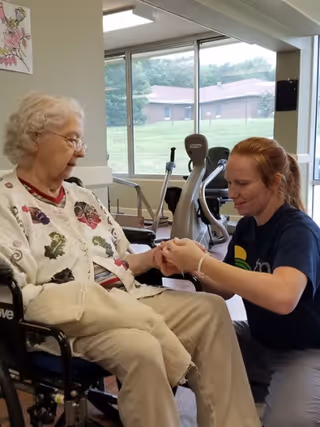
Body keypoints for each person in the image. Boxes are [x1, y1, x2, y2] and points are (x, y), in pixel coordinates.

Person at [0, 93, 260, 427]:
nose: (80, 151)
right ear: (35, 139)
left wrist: (154, 257)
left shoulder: (83, 197)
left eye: (81, 142)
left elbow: (122, 261)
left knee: (211, 309)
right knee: (141, 348)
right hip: (64, 322)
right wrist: (91, 296)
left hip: (126, 298)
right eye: (71, 140)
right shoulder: (6, 203)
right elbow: (20, 296)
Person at [162, 137, 320, 427]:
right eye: (230, 183)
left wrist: (202, 263)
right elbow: (225, 289)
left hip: (305, 348)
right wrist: (193, 266)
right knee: (178, 345)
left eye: (242, 184)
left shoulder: (298, 231)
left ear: (274, 182)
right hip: (259, 338)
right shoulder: (248, 226)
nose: (232, 193)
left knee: (289, 422)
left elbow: (284, 298)